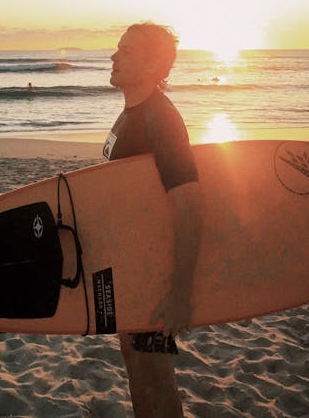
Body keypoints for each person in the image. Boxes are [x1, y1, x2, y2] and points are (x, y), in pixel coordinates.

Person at [103, 22, 202, 418]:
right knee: (136, 365)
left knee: (156, 379)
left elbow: (190, 205)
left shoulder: (160, 118)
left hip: (155, 274)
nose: (113, 56)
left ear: (151, 65)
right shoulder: (132, 114)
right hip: (132, 267)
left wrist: (180, 292)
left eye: (125, 51)